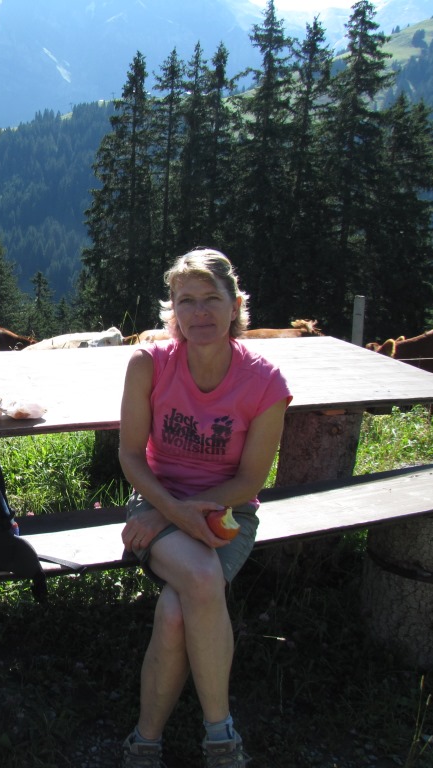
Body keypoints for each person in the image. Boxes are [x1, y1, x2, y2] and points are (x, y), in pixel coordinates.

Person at [118, 248, 292, 767]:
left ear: (235, 305)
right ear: (171, 310)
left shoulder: (265, 382)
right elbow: (130, 456)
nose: (199, 313)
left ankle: (145, 741)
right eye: (185, 301)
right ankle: (221, 738)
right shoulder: (149, 365)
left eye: (211, 299)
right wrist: (169, 510)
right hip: (153, 499)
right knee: (199, 578)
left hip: (228, 512)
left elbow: (250, 481)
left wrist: (173, 513)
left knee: (176, 611)